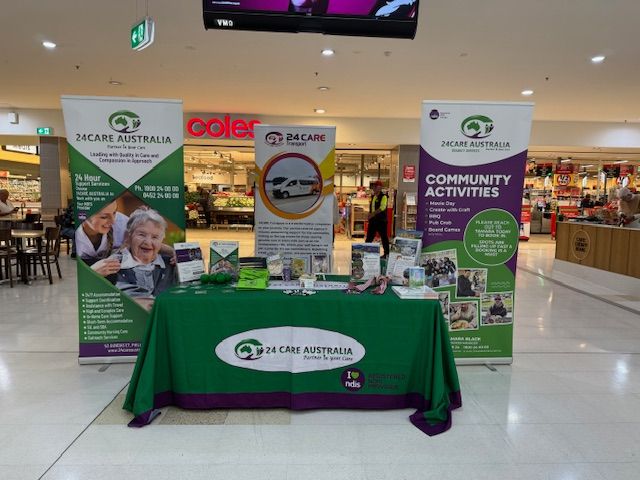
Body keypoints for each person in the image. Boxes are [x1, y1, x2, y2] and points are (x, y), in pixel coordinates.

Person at [111, 208, 176, 307]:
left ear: (162, 240)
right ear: (130, 235)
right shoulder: (114, 265)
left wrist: (185, 258)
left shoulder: (172, 263)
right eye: (141, 235)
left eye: (155, 237)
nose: (148, 242)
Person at [75, 200, 129, 271]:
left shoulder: (125, 224)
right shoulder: (74, 232)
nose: (113, 221)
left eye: (114, 213)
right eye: (104, 217)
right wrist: (94, 272)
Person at [365, 180, 390, 257]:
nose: (375, 188)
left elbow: (382, 207)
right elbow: (372, 207)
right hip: (373, 221)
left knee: (384, 237)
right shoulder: (373, 196)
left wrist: (372, 214)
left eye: (376, 187)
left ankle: (386, 253)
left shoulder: (384, 197)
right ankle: (365, 252)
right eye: (374, 187)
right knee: (369, 237)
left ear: (380, 188)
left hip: (381, 221)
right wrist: (369, 214)